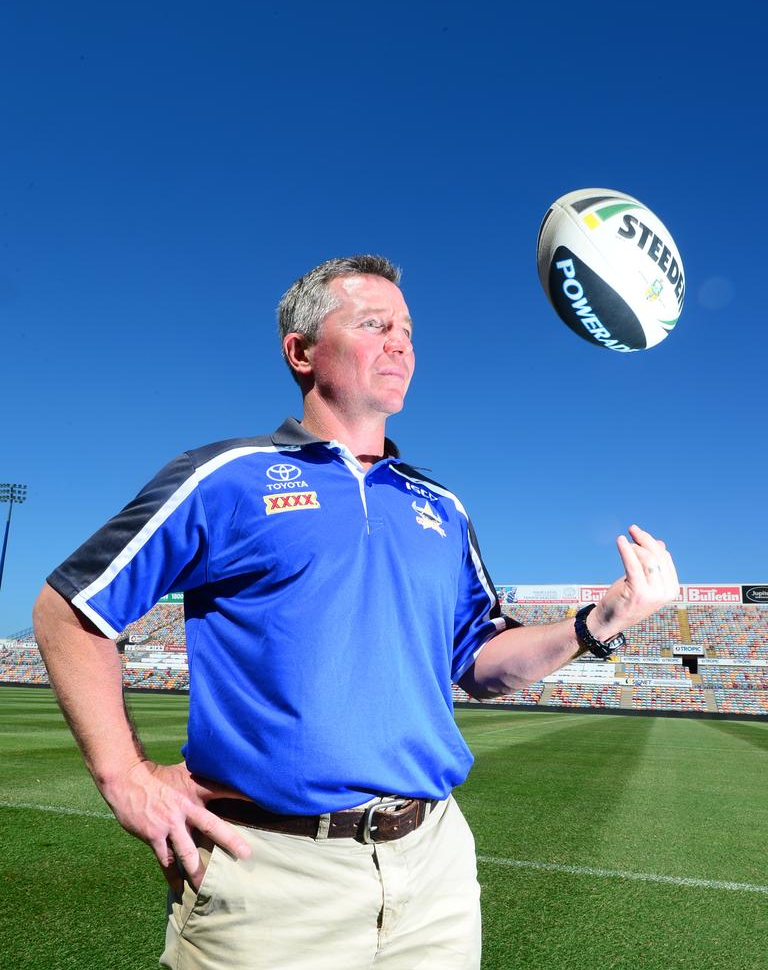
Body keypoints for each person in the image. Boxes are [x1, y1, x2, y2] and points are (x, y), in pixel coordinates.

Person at [33, 254, 679, 970]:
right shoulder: (227, 477)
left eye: (407, 328)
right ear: (301, 351)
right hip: (271, 874)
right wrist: (123, 776)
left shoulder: (440, 507)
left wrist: (602, 619)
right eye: (374, 324)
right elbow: (70, 608)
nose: (401, 342)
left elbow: (481, 666)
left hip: (432, 867)